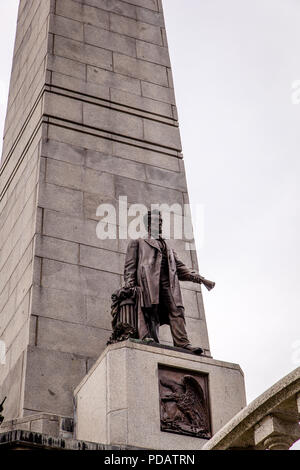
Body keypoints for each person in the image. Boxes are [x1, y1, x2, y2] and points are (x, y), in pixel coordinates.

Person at [124, 210, 215, 354]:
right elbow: (130, 266)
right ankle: (147, 337)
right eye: (156, 221)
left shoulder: (168, 248)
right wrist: (130, 284)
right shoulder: (138, 242)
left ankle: (182, 343)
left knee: (176, 310)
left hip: (168, 284)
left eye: (160, 221)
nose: (160, 223)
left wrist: (200, 279)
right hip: (148, 282)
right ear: (148, 224)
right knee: (149, 311)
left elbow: (180, 268)